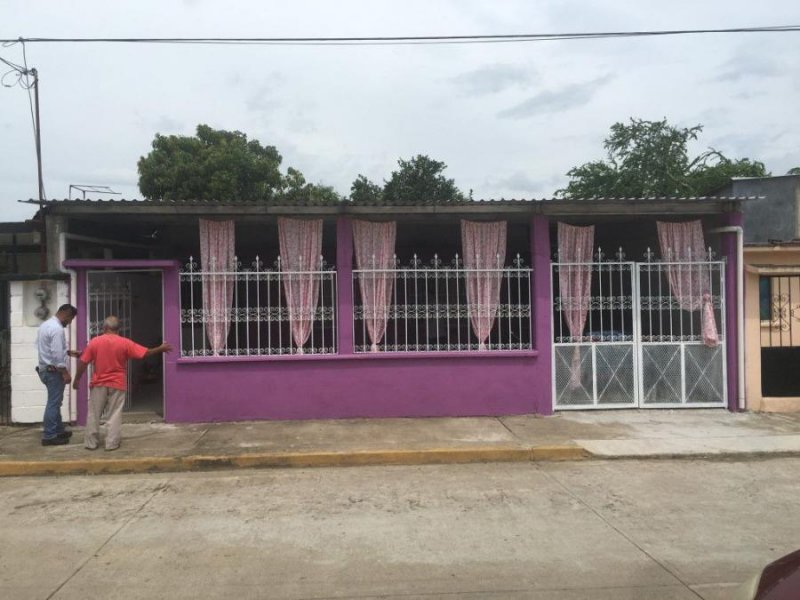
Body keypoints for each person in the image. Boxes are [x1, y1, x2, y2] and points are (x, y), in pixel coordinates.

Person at [72, 315, 172, 451]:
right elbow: (145, 353)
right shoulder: (124, 343)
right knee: (114, 414)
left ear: (105, 327)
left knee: (94, 414)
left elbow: (83, 362)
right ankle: (111, 443)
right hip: (117, 384)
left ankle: (91, 443)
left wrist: (77, 379)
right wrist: (160, 348)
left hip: (99, 383)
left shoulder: (95, 342)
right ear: (118, 329)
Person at [36, 303, 80, 446]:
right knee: (53, 403)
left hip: (45, 369)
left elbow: (48, 349)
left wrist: (71, 353)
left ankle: (59, 430)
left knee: (55, 402)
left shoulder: (45, 325)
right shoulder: (57, 329)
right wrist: (65, 372)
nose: (70, 322)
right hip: (53, 372)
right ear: (66, 315)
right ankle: (49, 436)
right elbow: (56, 354)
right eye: (71, 319)